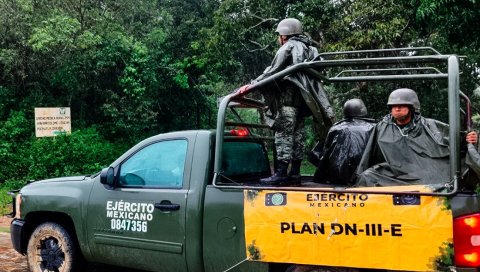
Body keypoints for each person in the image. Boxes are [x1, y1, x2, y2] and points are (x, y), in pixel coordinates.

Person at [236, 18, 334, 185]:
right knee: (298, 137)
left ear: (284, 35)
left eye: (279, 35)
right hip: (303, 104)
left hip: (287, 103)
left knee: (283, 136)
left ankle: (281, 174)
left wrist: (251, 86)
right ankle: (295, 175)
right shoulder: (311, 50)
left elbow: (273, 72)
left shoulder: (288, 47)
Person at [354, 88, 478, 187]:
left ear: (411, 107)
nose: (397, 109)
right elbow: (369, 154)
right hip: (393, 173)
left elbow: (457, 139)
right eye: (393, 106)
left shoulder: (428, 125)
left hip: (424, 173)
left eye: (401, 105)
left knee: (443, 181)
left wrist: (469, 139)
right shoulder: (382, 127)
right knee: (367, 176)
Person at [312, 99, 375, 185]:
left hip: (337, 176)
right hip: (365, 175)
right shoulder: (373, 127)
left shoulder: (336, 128)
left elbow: (326, 153)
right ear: (363, 110)